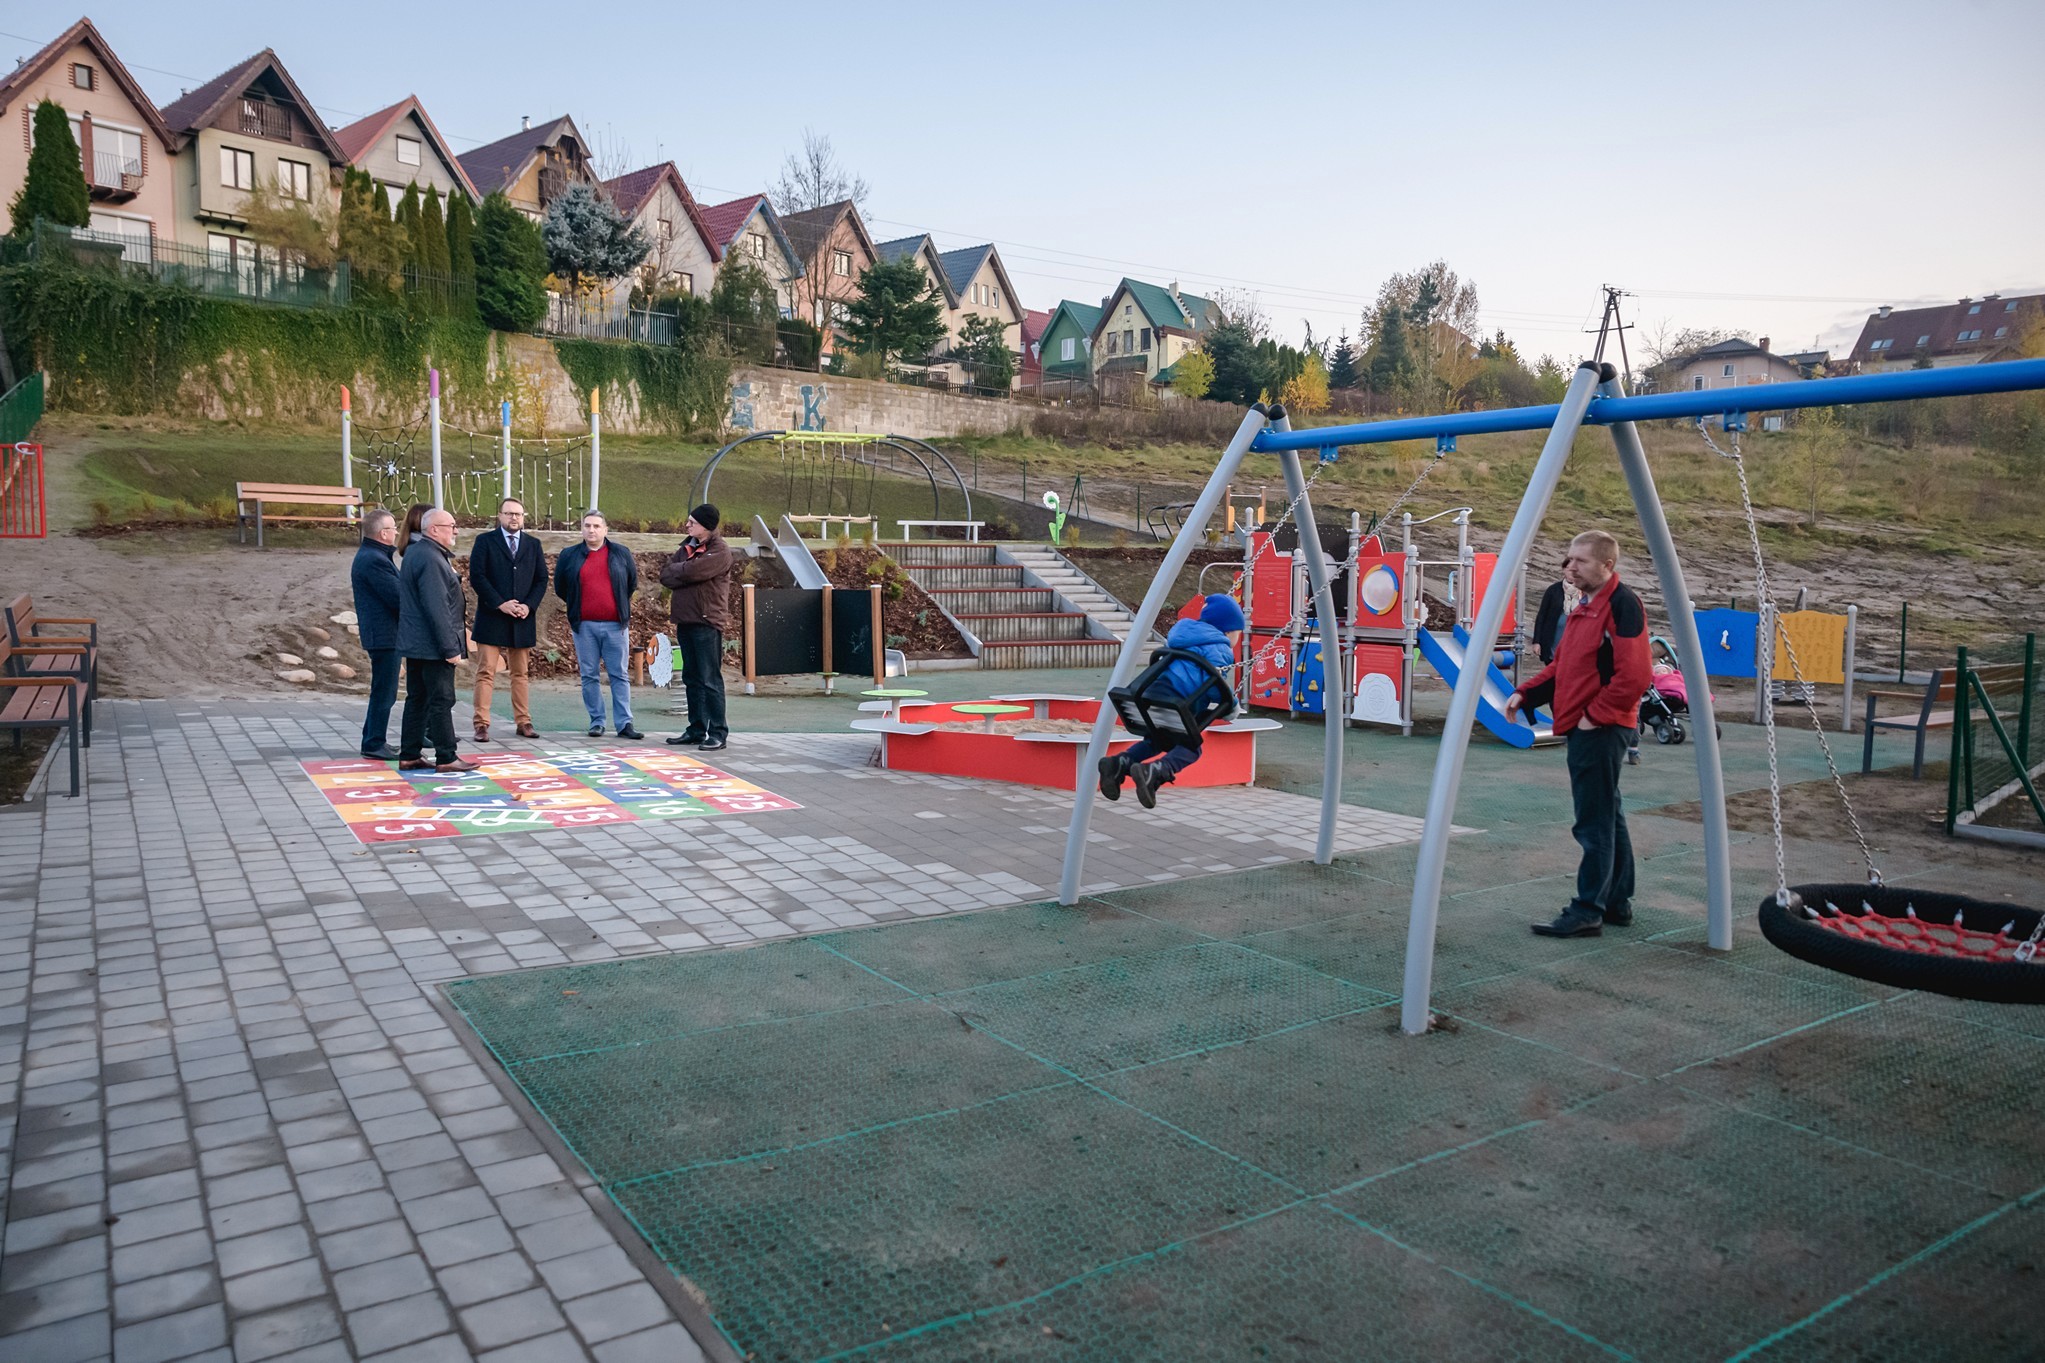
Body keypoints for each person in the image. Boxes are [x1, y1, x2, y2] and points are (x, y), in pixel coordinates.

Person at [1504, 530, 1653, 937]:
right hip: (1591, 725)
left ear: (1607, 565)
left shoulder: (1621, 605)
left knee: (1593, 823)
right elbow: (1565, 665)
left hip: (1601, 729)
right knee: (1608, 814)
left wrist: (1596, 717)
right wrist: (1525, 693)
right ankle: (1616, 902)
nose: (1569, 567)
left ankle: (1588, 908)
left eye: (1580, 561)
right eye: (1567, 559)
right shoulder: (1584, 607)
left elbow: (1637, 675)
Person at [1097, 593, 1244, 809]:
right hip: (1174, 702)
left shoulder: (1184, 637)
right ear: (1229, 630)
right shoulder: (1220, 648)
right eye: (1239, 632)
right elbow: (1214, 686)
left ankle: (1119, 763)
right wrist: (1231, 705)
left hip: (1150, 698)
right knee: (1192, 748)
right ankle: (1154, 772)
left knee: (1158, 740)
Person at [396, 507, 478, 773]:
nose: (455, 530)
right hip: (432, 645)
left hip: (418, 642)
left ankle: (409, 754)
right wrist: (449, 647)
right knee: (441, 699)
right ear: (433, 530)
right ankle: (446, 756)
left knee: (417, 697)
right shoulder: (431, 558)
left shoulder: (417, 552)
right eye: (451, 525)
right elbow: (437, 607)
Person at [554, 511, 642, 740]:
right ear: (581, 529)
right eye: (587, 526)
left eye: (596, 526)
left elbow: (631, 584)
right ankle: (597, 721)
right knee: (589, 675)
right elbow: (561, 587)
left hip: (615, 626)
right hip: (584, 627)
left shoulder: (620, 554)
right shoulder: (569, 555)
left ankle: (624, 724)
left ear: (605, 530)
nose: (591, 530)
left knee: (619, 675)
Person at [467, 497, 549, 742]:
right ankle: (481, 724)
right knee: (486, 672)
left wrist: (529, 605)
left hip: (522, 619)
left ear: (524, 517)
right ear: (500, 516)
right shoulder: (485, 541)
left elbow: (541, 580)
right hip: (492, 616)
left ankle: (523, 721)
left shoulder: (533, 544)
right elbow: (477, 576)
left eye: (518, 514)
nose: (514, 518)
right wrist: (500, 603)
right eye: (509, 513)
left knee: (520, 673)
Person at [661, 504, 733, 752]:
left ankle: (718, 732)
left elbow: (694, 571)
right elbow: (666, 575)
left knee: (710, 678)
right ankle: (696, 729)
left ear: (706, 525)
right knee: (691, 677)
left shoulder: (720, 551)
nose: (687, 525)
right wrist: (685, 572)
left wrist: (683, 572)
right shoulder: (687, 547)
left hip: (706, 623)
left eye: (692, 522)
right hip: (685, 621)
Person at [349, 507, 402, 759]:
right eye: (393, 528)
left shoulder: (375, 556)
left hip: (384, 633)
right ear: (383, 533)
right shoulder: (374, 560)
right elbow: (397, 597)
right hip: (384, 635)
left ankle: (373, 739)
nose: (396, 532)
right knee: (384, 690)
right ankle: (373, 743)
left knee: (383, 689)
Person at [1532, 558, 1569, 665]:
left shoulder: (1585, 590)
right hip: (1554, 639)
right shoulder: (1553, 590)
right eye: (1569, 569)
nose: (1572, 572)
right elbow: (1542, 615)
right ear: (1563, 570)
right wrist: (1537, 641)